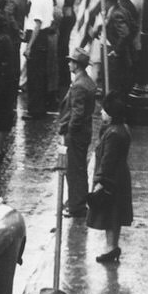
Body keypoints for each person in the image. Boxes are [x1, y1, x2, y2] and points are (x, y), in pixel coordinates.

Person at [87, 94, 132, 264]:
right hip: (120, 177)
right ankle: (113, 247)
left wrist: (99, 181)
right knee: (115, 215)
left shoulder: (113, 134)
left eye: (104, 111)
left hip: (111, 179)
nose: (101, 113)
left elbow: (107, 160)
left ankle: (111, 247)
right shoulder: (122, 129)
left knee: (110, 215)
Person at [58, 49, 97, 218]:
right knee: (79, 168)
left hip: (76, 134)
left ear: (77, 65)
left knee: (74, 170)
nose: (69, 64)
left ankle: (76, 206)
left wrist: (69, 132)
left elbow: (77, 113)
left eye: (71, 61)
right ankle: (78, 201)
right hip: (83, 132)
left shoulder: (80, 85)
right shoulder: (86, 82)